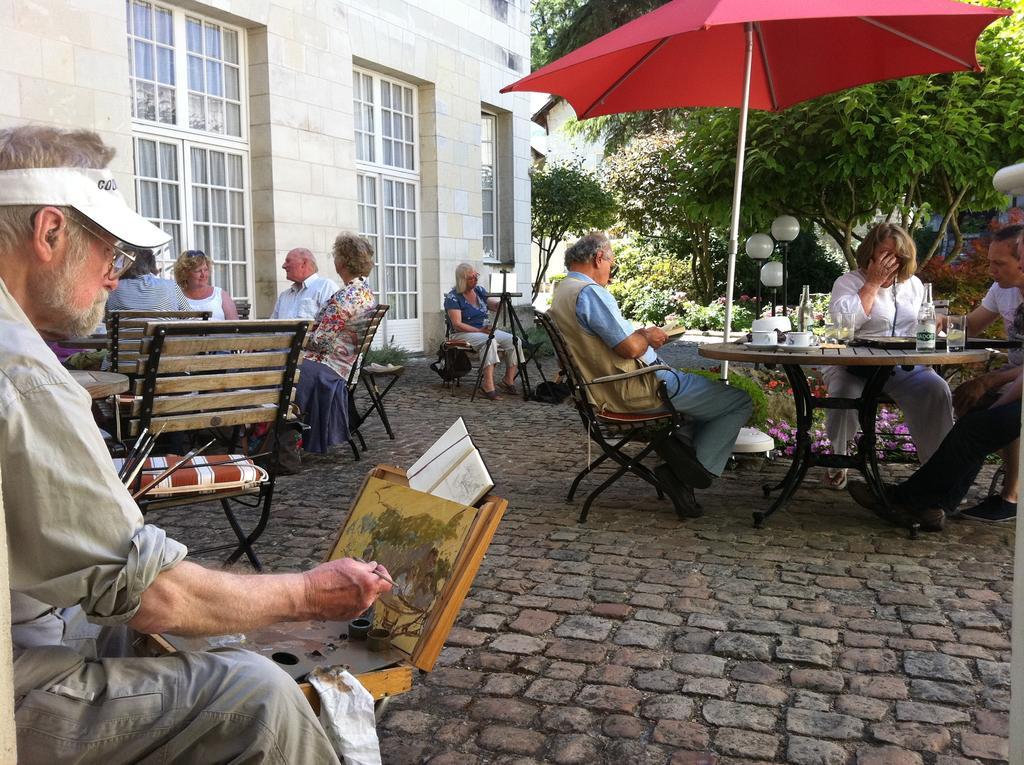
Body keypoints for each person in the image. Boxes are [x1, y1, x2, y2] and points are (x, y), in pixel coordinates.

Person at [0, 124, 391, 762]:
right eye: (109, 249)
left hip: (31, 621)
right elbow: (156, 594)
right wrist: (308, 595)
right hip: (16, 684)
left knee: (174, 640)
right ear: (49, 233)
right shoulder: (24, 377)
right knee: (256, 696)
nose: (113, 275)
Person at [548, 232, 752, 516]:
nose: (611, 271)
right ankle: (694, 471)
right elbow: (631, 347)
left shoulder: (562, 291)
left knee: (702, 404)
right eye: (611, 263)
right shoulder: (590, 293)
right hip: (638, 388)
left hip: (605, 389)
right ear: (598, 258)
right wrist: (648, 334)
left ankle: (676, 453)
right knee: (738, 401)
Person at [823, 223, 953, 489]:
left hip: (900, 366)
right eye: (886, 254)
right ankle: (839, 458)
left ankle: (938, 472)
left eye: (898, 256)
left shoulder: (914, 286)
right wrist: (871, 284)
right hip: (853, 365)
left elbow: (918, 325)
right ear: (871, 252)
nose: (892, 262)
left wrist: (934, 322)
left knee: (936, 389)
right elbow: (843, 326)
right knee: (843, 393)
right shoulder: (848, 282)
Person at [944, 224, 1024, 521]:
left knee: (997, 408)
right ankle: (946, 494)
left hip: (1017, 380)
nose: (991, 269)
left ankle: (1011, 496)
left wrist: (989, 380)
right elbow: (970, 327)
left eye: (999, 264)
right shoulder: (1001, 290)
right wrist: (938, 321)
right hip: (1013, 372)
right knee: (969, 400)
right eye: (989, 261)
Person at [295, 232, 377, 454]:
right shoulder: (366, 293)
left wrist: (296, 339)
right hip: (346, 367)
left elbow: (321, 342)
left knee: (278, 369)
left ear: (342, 262)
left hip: (328, 368)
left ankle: (278, 438)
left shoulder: (345, 297)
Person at [444, 262, 524, 400]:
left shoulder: (479, 290)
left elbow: (493, 305)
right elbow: (457, 324)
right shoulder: (453, 297)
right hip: (463, 333)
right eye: (471, 278)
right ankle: (488, 385)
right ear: (462, 280)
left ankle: (508, 380)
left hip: (483, 331)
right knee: (490, 341)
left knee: (515, 341)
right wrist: (479, 330)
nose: (475, 280)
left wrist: (502, 301)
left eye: (476, 276)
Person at [105, 247, 189, 312]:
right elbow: (190, 317)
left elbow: (102, 320)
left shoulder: (112, 289)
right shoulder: (172, 286)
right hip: (163, 334)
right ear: (151, 263)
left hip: (121, 335)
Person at [270, 246, 338, 319]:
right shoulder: (284, 296)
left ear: (304, 263)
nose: (283, 266)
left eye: (288, 261)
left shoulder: (325, 287)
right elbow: (270, 327)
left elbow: (334, 323)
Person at [173, 249, 239, 320]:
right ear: (185, 274)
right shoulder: (176, 297)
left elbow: (235, 326)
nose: (203, 275)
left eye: (206, 270)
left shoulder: (219, 294)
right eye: (198, 271)